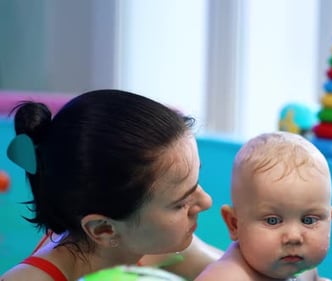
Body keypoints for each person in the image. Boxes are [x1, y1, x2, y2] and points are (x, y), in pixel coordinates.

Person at [1, 89, 223, 281]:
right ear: (103, 229)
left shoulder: (152, 246)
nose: (206, 201)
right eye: (181, 203)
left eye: (196, 182)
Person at [195, 131, 332, 281]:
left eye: (308, 220)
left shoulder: (303, 267)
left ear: (330, 220)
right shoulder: (226, 278)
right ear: (234, 224)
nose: (294, 237)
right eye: (272, 220)